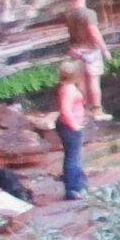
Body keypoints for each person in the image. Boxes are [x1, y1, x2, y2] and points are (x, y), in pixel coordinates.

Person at [65, 0, 111, 121]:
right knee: (93, 80)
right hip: (90, 50)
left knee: (80, 81)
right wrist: (105, 49)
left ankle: (82, 110)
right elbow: (94, 33)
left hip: (74, 50)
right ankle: (97, 110)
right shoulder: (88, 14)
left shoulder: (68, 13)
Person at [54, 57, 89, 201]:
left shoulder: (68, 86)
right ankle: (73, 189)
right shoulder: (68, 89)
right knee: (72, 158)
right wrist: (75, 126)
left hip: (71, 126)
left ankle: (79, 185)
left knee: (75, 157)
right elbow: (65, 110)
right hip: (69, 128)